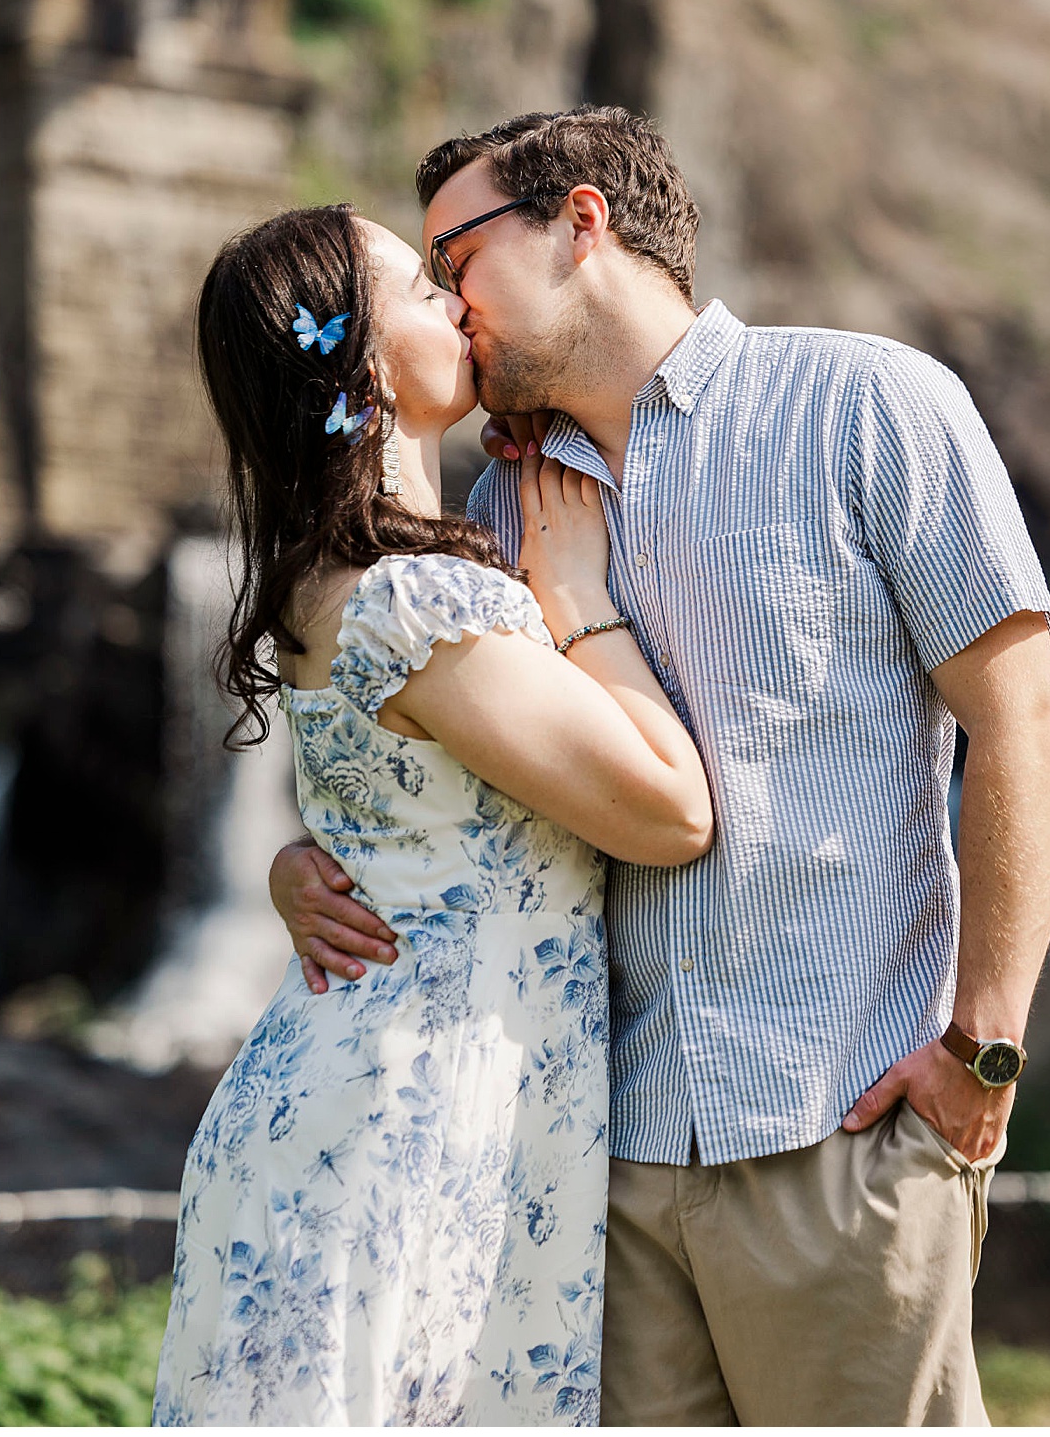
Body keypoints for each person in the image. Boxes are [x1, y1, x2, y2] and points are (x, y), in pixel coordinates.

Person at [272, 107, 1050, 1425]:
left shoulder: (871, 402)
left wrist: (982, 1045)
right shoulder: (495, 509)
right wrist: (300, 861)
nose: (446, 302)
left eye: (454, 256)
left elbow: (1024, 718)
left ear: (580, 222)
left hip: (842, 1125)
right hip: (605, 1162)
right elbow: (463, 787)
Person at [154, 206, 715, 1424]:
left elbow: (401, 817)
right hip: (407, 1119)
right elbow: (670, 814)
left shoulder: (325, 572)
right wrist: (579, 601)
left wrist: (289, 865)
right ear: (362, 361)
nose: (459, 303)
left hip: (363, 1094)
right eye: (423, 285)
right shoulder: (419, 600)